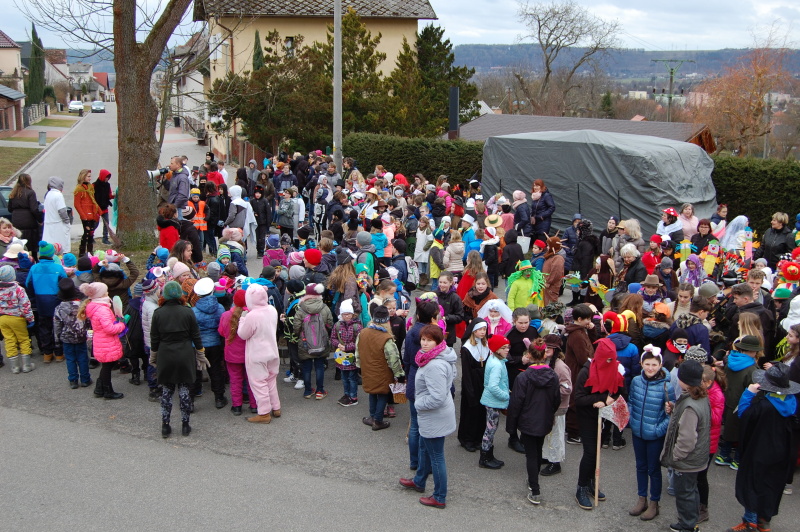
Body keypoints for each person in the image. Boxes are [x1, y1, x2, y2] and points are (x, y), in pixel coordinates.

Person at [729, 363, 799, 532]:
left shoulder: (763, 406)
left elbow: (744, 415)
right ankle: (763, 521)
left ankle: (750, 522)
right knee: (771, 486)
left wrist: (749, 393)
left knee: (752, 485)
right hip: (782, 454)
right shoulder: (792, 403)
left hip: (759, 452)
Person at [399, 324, 457, 509]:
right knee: (424, 448)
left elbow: (437, 397)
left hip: (434, 415)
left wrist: (419, 404)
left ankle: (439, 496)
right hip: (434, 415)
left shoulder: (434, 365)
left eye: (429, 340)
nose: (424, 343)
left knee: (436, 457)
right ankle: (419, 480)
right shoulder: (437, 357)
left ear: (438, 342)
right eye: (423, 339)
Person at [506, 338, 560, 505]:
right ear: (544, 355)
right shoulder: (553, 376)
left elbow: (516, 403)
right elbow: (556, 400)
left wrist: (511, 426)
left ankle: (535, 489)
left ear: (529, 355)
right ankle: (533, 481)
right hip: (544, 419)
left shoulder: (523, 377)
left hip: (528, 420)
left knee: (531, 454)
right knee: (537, 450)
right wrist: (549, 413)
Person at [574, 337, 625, 510]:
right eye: (607, 360)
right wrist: (601, 399)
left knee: (596, 453)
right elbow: (579, 399)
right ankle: (581, 487)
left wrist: (610, 400)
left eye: (612, 359)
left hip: (603, 417)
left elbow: (619, 391)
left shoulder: (614, 369)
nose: (610, 363)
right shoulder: (586, 372)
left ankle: (591, 483)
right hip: (587, 417)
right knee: (590, 453)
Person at [149, 280, 206, 437]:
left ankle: (165, 425)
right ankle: (185, 425)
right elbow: (196, 334)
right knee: (184, 389)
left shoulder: (158, 313)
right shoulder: (187, 311)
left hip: (165, 354)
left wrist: (153, 355)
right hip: (185, 353)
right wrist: (200, 352)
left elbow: (154, 338)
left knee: (167, 391)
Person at [660, 360, 711, 532]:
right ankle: (691, 521)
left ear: (684, 380)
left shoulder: (690, 405)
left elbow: (687, 439)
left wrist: (675, 457)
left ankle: (687, 526)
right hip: (697, 459)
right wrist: (675, 409)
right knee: (691, 491)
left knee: (685, 494)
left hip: (687, 461)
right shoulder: (699, 397)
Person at [628, 346, 675, 521]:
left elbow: (671, 414)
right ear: (641, 364)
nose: (650, 368)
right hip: (638, 432)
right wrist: (632, 421)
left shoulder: (666, 386)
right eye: (647, 364)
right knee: (640, 466)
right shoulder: (636, 381)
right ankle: (642, 499)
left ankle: (654, 502)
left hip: (655, 436)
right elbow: (631, 402)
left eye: (654, 364)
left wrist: (658, 430)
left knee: (653, 469)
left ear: (660, 365)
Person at [356, 304, 405, 431]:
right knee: (383, 394)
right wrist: (399, 374)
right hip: (383, 372)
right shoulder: (386, 338)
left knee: (372, 392)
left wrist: (359, 366)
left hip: (367, 369)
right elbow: (394, 359)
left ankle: (372, 417)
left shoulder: (363, 333)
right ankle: (378, 421)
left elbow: (358, 352)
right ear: (386, 320)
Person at [238, 283, 281, 423]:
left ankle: (264, 413)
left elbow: (243, 334)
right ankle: (276, 407)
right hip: (272, 351)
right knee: (271, 380)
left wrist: (242, 320)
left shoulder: (252, 315)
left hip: (257, 354)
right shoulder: (272, 310)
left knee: (258, 383)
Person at [718, 335, 762, 469]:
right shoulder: (752, 369)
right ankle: (737, 460)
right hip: (743, 405)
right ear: (753, 351)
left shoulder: (730, 361)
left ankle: (723, 455)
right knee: (743, 432)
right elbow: (754, 390)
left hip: (728, 401)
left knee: (728, 430)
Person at [79, 282, 126, 400]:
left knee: (107, 365)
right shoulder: (102, 310)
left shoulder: (95, 306)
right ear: (100, 295)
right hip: (106, 342)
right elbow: (109, 328)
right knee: (107, 366)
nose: (107, 293)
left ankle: (99, 388)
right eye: (105, 291)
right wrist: (121, 325)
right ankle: (108, 391)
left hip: (101, 340)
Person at [293, 282, 333, 399]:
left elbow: (296, 326)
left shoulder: (301, 308)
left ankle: (307, 391)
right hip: (321, 341)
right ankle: (320, 391)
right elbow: (330, 323)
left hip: (305, 342)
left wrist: (299, 335)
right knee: (319, 366)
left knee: (307, 367)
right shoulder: (324, 307)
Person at [564, 304, 597, 444]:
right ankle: (573, 432)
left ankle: (572, 429)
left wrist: (592, 330)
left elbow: (592, 343)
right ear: (579, 319)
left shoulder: (580, 331)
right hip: (577, 372)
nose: (589, 321)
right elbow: (583, 358)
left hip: (579, 371)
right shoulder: (577, 335)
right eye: (587, 319)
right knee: (575, 402)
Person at [458, 318, 490, 453]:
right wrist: (469, 391)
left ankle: (478, 438)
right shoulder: (467, 348)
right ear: (473, 330)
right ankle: (467, 439)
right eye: (480, 329)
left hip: (483, 382)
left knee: (482, 412)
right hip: (471, 383)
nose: (482, 332)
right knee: (470, 412)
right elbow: (466, 372)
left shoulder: (485, 344)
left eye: (484, 329)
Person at [541, 334, 571, 476]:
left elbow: (567, 389)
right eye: (544, 347)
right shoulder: (545, 361)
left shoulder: (560, 367)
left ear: (556, 350)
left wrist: (548, 393)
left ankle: (556, 462)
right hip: (547, 406)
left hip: (557, 407)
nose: (546, 349)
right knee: (547, 433)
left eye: (549, 348)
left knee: (556, 434)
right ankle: (547, 456)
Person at [479, 334, 510, 469]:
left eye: (507, 347)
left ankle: (489, 455)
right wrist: (506, 396)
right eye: (504, 348)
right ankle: (485, 457)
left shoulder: (495, 360)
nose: (507, 350)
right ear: (497, 349)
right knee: (490, 430)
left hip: (493, 401)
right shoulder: (497, 365)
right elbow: (493, 386)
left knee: (491, 428)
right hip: (493, 402)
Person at [0, 264, 35, 373]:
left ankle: (14, 367)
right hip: (17, 317)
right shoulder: (18, 289)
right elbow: (25, 305)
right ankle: (26, 365)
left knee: (9, 340)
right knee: (23, 339)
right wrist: (30, 318)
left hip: (2, 318)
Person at [7, 174, 41, 261]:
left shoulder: (13, 193)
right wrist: (40, 219)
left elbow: (9, 208)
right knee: (32, 241)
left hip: (16, 220)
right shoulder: (30, 192)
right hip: (29, 221)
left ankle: (18, 256)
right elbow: (34, 209)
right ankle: (34, 258)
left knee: (18, 239)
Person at [73, 169, 103, 256]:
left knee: (91, 233)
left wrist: (98, 210)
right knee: (86, 233)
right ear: (83, 176)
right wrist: (83, 216)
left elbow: (93, 200)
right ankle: (82, 252)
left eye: (90, 176)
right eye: (88, 176)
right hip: (85, 215)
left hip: (92, 214)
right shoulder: (79, 189)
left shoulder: (90, 187)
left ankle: (90, 252)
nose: (90, 178)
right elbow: (77, 204)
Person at [42, 177, 71, 253]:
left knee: (50, 247)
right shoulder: (58, 195)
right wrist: (67, 222)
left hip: (49, 223)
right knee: (60, 246)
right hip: (58, 225)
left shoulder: (48, 194)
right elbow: (62, 211)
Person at [92, 169, 114, 244]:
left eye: (108, 177)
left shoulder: (108, 185)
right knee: (95, 224)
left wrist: (113, 195)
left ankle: (105, 238)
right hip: (96, 208)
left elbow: (109, 195)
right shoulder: (94, 185)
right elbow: (91, 197)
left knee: (106, 224)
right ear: (102, 176)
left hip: (104, 207)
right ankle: (91, 237)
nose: (107, 179)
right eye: (106, 177)